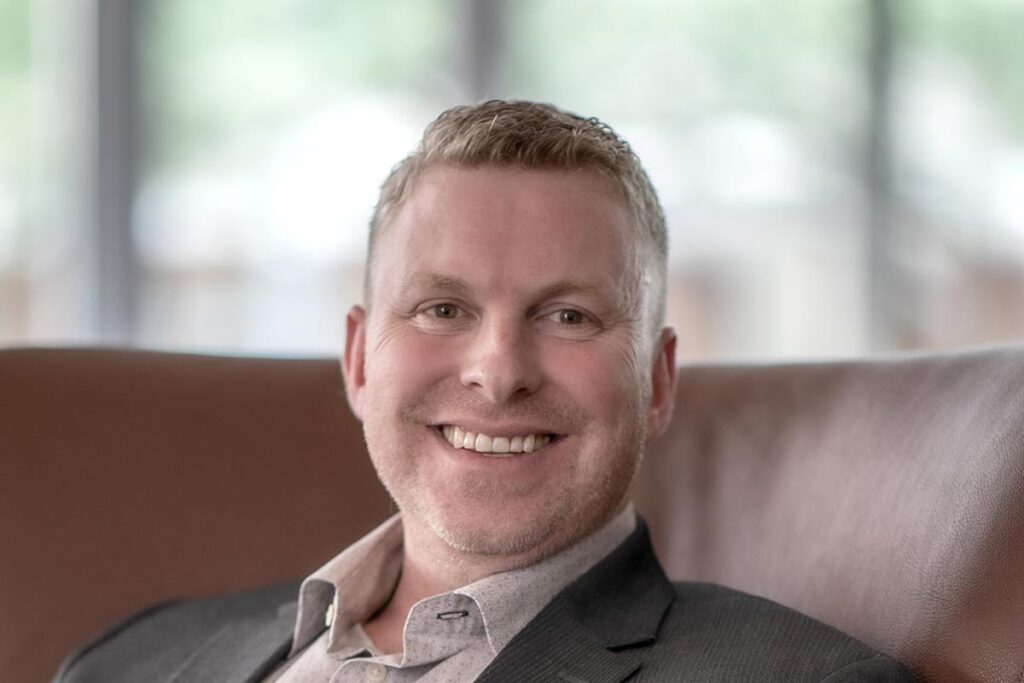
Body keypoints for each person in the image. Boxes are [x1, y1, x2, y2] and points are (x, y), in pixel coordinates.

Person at [56, 100, 913, 682]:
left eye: (570, 315)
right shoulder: (131, 658)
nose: (499, 370)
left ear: (655, 381)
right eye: (442, 307)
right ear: (359, 359)